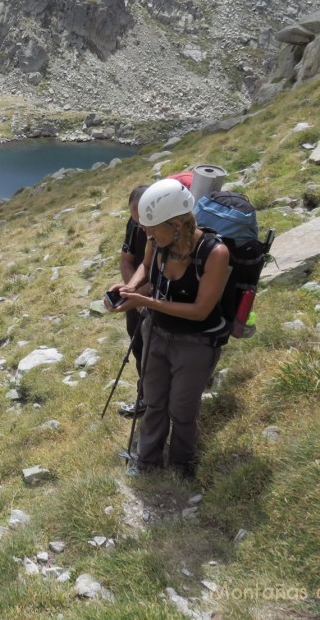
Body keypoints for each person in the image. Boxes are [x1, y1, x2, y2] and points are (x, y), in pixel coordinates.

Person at [106, 179, 230, 478]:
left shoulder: (215, 253)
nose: (145, 234)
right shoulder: (157, 241)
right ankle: (147, 462)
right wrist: (130, 288)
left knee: (182, 410)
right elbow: (146, 270)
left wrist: (146, 302)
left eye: (151, 228)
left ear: (176, 223)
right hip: (156, 334)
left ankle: (181, 464)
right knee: (153, 402)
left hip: (196, 344)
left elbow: (201, 311)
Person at [116, 185, 149, 420]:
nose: (139, 225)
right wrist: (131, 292)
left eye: (143, 220)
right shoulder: (134, 223)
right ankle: (146, 397)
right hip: (139, 292)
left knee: (156, 350)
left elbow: (162, 272)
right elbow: (127, 261)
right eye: (135, 220)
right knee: (138, 344)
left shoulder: (169, 228)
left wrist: (140, 297)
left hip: (162, 295)